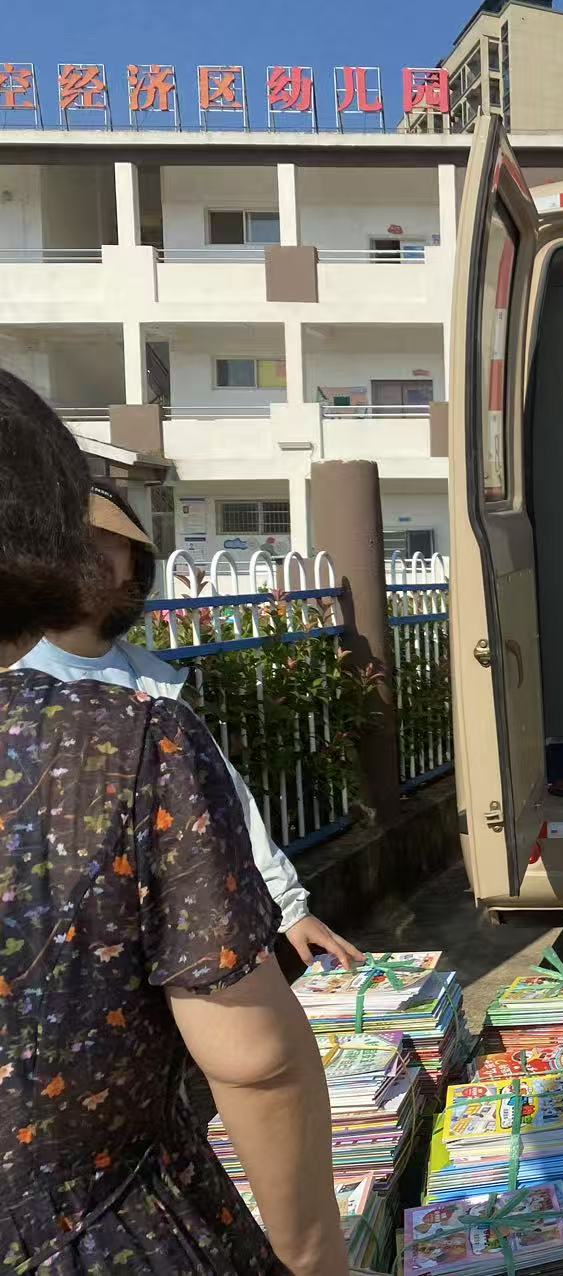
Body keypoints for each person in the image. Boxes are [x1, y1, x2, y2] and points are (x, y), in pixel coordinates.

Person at [0, 370, 347, 1275]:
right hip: (100, 1226)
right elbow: (254, 1058)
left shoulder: (150, 689)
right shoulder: (126, 736)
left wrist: (287, 903)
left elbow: (227, 819)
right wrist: (313, 1258)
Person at [10, 478, 364, 970]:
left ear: (134, 567)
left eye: (110, 543)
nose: (91, 558)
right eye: (76, 542)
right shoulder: (14, 675)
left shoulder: (155, 681)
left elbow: (221, 797)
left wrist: (289, 908)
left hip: (151, 936)